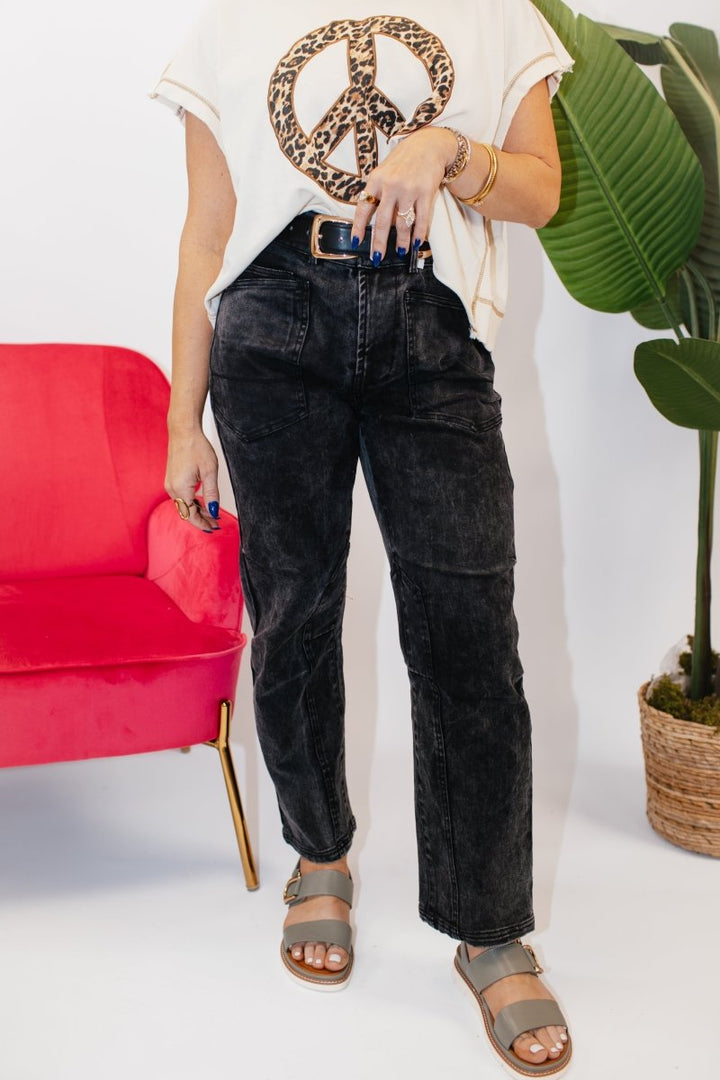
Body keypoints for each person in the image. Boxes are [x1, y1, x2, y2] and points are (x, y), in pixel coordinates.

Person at [151, 1, 573, 1074]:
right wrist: (183, 423)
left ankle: (489, 925)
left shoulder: (496, 12)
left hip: (431, 325)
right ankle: (319, 856)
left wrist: (446, 151)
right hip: (271, 324)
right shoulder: (229, 26)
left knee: (470, 632)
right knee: (294, 613)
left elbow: (540, 189)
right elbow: (207, 232)